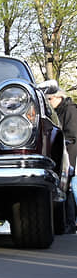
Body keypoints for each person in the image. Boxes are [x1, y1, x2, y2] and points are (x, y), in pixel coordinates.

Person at [48, 87, 77, 234]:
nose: (48, 102)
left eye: (50, 99)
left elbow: (72, 134)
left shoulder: (70, 110)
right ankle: (64, 222)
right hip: (60, 152)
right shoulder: (58, 111)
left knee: (67, 188)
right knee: (61, 188)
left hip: (67, 153)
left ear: (59, 97)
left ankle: (70, 223)